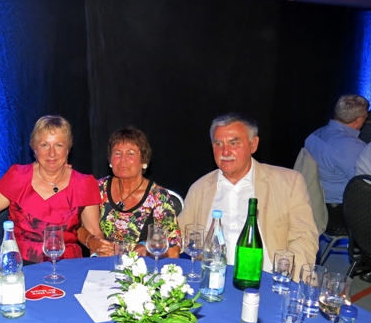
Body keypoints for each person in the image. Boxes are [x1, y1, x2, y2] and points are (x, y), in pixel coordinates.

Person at [178, 114, 319, 280]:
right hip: (214, 280)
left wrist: (283, 281)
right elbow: (179, 235)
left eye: (233, 143)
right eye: (218, 144)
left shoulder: (288, 183)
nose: (225, 152)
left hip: (269, 281)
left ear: (253, 145)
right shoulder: (200, 188)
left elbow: (304, 239)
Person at [0, 115, 102, 263]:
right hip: (20, 266)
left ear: (68, 149)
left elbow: (95, 234)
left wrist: (97, 265)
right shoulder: (17, 177)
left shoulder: (84, 184)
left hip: (68, 267)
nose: (52, 153)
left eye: (59, 145)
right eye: (45, 145)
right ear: (34, 149)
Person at [75, 128, 181, 258]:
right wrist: (92, 242)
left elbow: (173, 250)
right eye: (117, 153)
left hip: (142, 267)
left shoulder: (159, 197)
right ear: (110, 160)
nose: (123, 159)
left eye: (130, 153)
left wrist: (147, 249)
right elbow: (78, 227)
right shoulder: (98, 188)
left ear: (144, 161)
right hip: (103, 264)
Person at [304, 94, 369, 203]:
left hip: (317, 198)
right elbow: (366, 180)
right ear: (359, 119)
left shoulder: (315, 134)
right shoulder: (349, 147)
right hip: (343, 206)